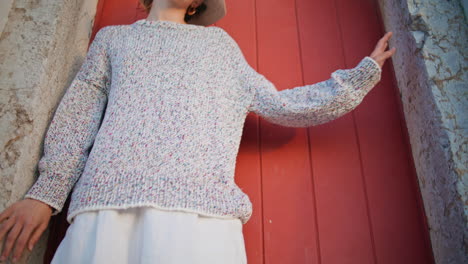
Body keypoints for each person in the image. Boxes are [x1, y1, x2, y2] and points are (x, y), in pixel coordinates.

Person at [0, 0, 396, 263]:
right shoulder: (114, 39)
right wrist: (46, 193)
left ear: (195, 4)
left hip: (199, 217)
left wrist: (359, 77)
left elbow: (280, 104)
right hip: (108, 210)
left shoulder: (219, 46)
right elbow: (79, 115)